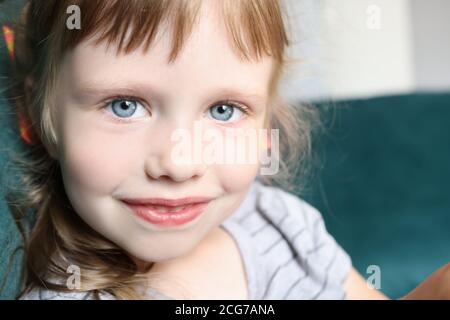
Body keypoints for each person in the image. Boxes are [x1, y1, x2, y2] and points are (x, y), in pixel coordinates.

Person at [4, 0, 448, 300]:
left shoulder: (280, 224)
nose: (180, 163)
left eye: (222, 110)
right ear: (34, 116)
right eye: (125, 105)